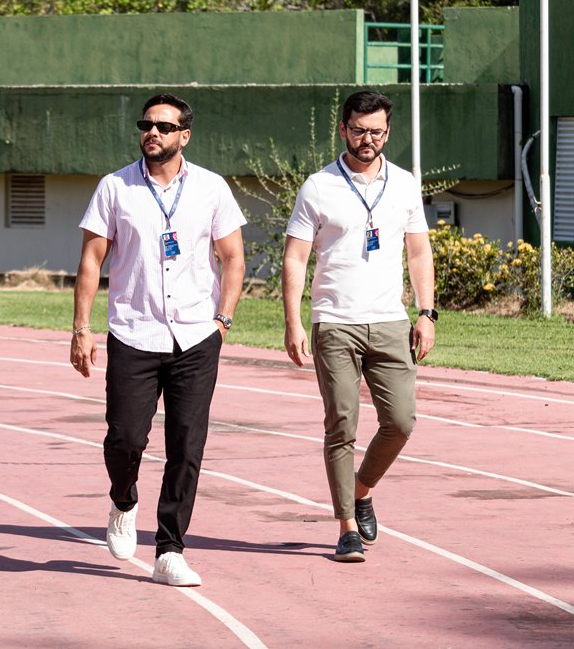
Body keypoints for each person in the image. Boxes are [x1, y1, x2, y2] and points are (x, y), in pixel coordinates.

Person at [70, 93, 246, 586]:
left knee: (186, 446)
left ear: (184, 135)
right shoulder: (115, 188)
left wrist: (223, 320)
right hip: (134, 332)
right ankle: (123, 500)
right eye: (146, 124)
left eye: (165, 127)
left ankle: (170, 549)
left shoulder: (211, 188)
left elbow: (233, 257)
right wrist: (81, 328)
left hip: (196, 335)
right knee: (125, 438)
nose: (153, 132)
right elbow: (91, 261)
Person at [282, 91, 436, 563]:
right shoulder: (318, 187)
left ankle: (361, 488)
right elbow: (295, 257)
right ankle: (346, 526)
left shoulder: (404, 184)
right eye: (358, 130)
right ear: (343, 129)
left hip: (390, 321)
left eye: (376, 132)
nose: (367, 139)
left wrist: (427, 312)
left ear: (388, 132)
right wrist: (293, 322)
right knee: (341, 426)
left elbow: (418, 252)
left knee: (401, 421)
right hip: (335, 323)